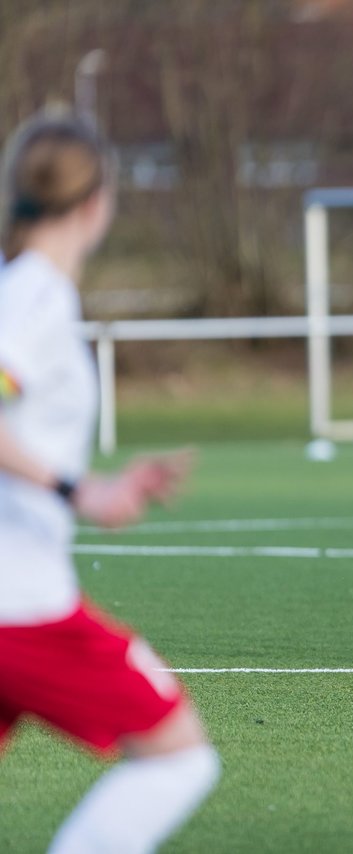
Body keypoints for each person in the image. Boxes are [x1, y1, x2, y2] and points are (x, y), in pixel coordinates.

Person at [0, 110, 220, 852]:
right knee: (179, 754)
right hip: (19, 606)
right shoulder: (34, 295)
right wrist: (79, 490)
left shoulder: (23, 290)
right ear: (97, 204)